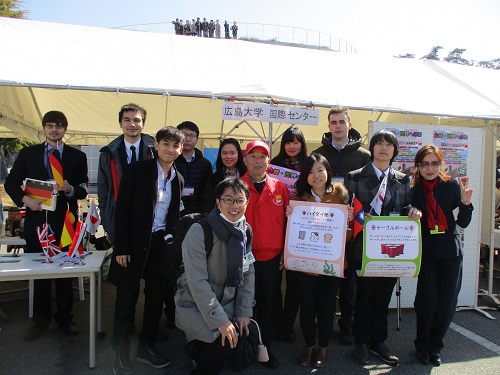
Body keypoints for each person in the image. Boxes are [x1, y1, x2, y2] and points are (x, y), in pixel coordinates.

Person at [5, 110, 88, 341]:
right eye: (50, 125)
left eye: (59, 126)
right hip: (36, 219)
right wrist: (26, 201)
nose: (54, 130)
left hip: (65, 222)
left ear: (65, 129)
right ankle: (40, 320)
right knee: (38, 272)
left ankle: (65, 318)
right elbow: (11, 183)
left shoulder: (76, 156)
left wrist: (71, 189)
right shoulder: (28, 153)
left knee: (64, 272)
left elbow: (82, 188)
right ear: (44, 128)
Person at [108, 127, 184, 374]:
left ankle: (146, 346)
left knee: (154, 299)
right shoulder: (137, 171)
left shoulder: (178, 178)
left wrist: (171, 240)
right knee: (126, 300)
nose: (170, 150)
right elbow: (122, 211)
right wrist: (121, 247)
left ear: (180, 149)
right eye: (166, 144)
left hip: (160, 245)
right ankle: (120, 353)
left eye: (175, 146)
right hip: (133, 245)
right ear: (156, 145)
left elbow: (173, 214)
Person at [344, 129, 421, 366]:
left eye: (389, 144)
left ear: (394, 150)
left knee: (382, 298)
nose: (384, 148)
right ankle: (361, 342)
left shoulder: (403, 179)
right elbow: (347, 208)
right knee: (363, 297)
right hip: (364, 248)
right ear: (372, 147)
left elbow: (408, 204)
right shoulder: (355, 176)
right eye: (379, 143)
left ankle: (379, 341)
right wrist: (352, 214)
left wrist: (412, 211)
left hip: (392, 250)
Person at [175, 177, 255, 375]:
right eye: (228, 199)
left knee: (246, 330)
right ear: (218, 202)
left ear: (247, 202)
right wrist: (222, 321)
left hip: (226, 301)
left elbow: (248, 272)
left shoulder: (245, 231)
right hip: (194, 303)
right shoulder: (199, 231)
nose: (234, 205)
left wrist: (244, 311)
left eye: (240, 200)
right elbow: (197, 283)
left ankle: (197, 349)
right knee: (226, 339)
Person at [286, 154, 353, 367]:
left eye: (320, 170)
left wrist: (348, 223)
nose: (316, 176)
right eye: (311, 172)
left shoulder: (340, 196)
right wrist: (290, 216)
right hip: (305, 266)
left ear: (328, 172)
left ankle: (322, 346)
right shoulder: (299, 201)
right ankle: (308, 344)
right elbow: (292, 234)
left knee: (325, 309)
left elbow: (349, 237)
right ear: (305, 176)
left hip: (330, 266)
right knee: (306, 309)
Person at [411, 145, 473, 367]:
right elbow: (407, 212)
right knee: (427, 301)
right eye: (425, 163)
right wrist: (410, 211)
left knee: (447, 303)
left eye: (434, 163)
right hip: (427, 252)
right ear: (417, 166)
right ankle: (422, 344)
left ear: (441, 164)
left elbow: (463, 222)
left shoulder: (451, 186)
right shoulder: (414, 190)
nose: (430, 168)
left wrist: (466, 203)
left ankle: (436, 346)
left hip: (450, 251)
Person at [313, 105, 370, 345]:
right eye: (333, 122)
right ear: (328, 126)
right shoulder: (318, 153)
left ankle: (346, 326)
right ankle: (320, 324)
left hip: (350, 229)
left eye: (341, 122)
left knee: (349, 282)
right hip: (322, 227)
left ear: (349, 124)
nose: (337, 126)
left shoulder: (364, 156)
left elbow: (368, 193)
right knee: (322, 280)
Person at [241, 140, 290, 369]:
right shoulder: (235, 186)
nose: (258, 161)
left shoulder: (280, 188)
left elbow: (290, 223)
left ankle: (265, 347)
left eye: (263, 156)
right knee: (243, 305)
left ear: (269, 160)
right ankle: (242, 347)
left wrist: (286, 252)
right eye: (253, 156)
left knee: (268, 304)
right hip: (243, 258)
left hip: (271, 258)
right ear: (245, 160)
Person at [270, 126, 307, 342]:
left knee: (294, 281)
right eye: (288, 142)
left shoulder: (309, 164)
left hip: (301, 226)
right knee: (274, 280)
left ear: (302, 144)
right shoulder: (273, 165)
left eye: (296, 142)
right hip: (277, 225)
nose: (292, 146)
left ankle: (288, 324)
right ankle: (275, 322)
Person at [97, 103, 155, 245]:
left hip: (149, 217)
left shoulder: (155, 149)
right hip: (119, 216)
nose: (132, 124)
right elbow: (103, 191)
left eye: (136, 120)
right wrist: (107, 225)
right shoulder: (108, 153)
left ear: (143, 124)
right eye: (127, 120)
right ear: (120, 123)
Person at [175, 121, 213, 216]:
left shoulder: (205, 164)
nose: (187, 139)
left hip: (198, 214)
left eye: (192, 135)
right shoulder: (171, 161)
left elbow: (208, 191)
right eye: (184, 135)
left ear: (197, 139)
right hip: (175, 212)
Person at [203, 138, 247, 213]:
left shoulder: (246, 175)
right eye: (224, 153)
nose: (228, 156)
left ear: (238, 154)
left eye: (232, 153)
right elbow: (208, 205)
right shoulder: (214, 179)